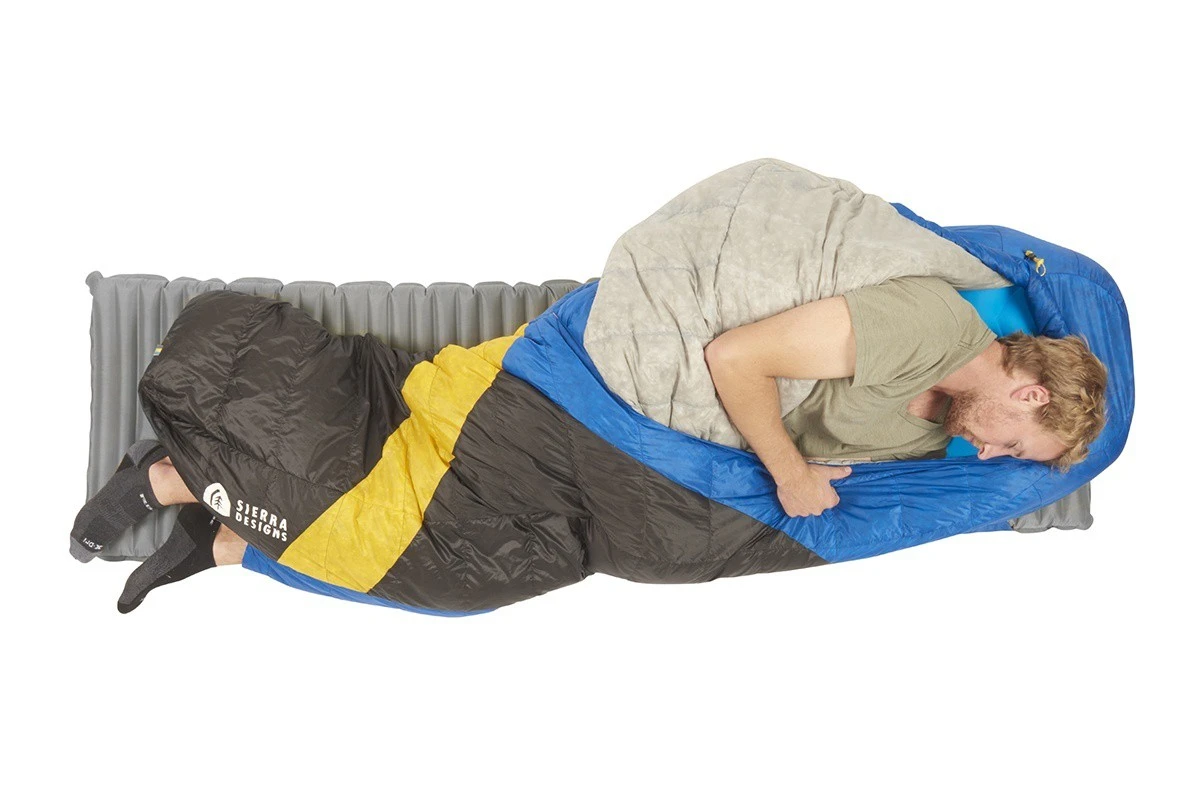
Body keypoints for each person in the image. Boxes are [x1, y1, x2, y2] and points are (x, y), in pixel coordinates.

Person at [70, 275, 1107, 613]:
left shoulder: (938, 410)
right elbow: (740, 357)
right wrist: (788, 473)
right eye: (1019, 444)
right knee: (420, 542)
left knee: (468, 575)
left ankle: (225, 542)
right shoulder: (920, 331)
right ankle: (174, 477)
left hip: (612, 467)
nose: (996, 461)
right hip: (569, 408)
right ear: (1025, 389)